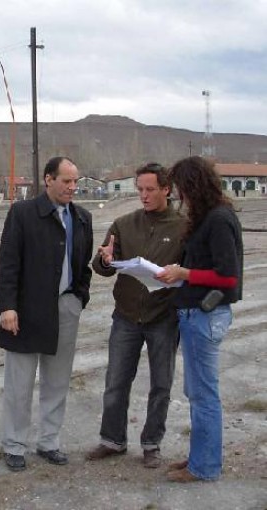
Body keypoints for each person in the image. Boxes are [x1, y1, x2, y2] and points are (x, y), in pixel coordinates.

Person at [0, 156, 93, 471]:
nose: (72, 187)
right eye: (66, 181)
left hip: (65, 309)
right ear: (48, 179)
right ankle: (14, 446)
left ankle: (49, 442)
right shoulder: (22, 214)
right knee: (19, 384)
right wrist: (8, 306)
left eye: (75, 181)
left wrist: (78, 299)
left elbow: (83, 266)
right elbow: (8, 263)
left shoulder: (82, 218)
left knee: (57, 381)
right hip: (25, 311)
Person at [86, 162, 186, 468]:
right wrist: (104, 260)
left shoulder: (183, 227)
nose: (143, 195)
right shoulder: (123, 224)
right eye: (139, 189)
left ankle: (152, 444)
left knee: (161, 384)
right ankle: (112, 440)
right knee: (115, 381)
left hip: (164, 318)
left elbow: (192, 269)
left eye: (150, 190)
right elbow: (101, 265)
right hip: (126, 316)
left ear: (166, 190)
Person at [156, 156, 243, 482]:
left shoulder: (219, 220)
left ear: (193, 185)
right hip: (196, 314)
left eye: (181, 188)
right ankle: (199, 457)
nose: (179, 195)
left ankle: (204, 467)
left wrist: (185, 273)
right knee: (197, 391)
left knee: (204, 394)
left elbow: (228, 277)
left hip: (205, 316)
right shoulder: (211, 216)